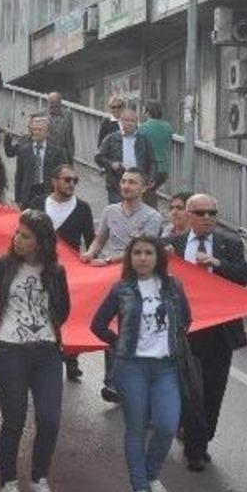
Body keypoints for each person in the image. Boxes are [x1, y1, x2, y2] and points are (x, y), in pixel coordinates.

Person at [0, 210, 69, 492]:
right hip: (8, 350)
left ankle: (40, 480)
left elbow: (63, 307)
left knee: (49, 419)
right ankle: (8, 482)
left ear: (41, 242)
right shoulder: (2, 266)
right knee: (14, 419)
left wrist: (46, 326)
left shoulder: (55, 271)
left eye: (25, 236)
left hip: (47, 352)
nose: (18, 239)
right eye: (17, 233)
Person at [90, 236, 191, 492]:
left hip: (165, 368)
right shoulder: (121, 288)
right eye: (137, 253)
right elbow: (97, 325)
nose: (143, 258)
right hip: (131, 367)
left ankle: (151, 476)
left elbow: (186, 319)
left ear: (158, 257)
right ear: (129, 257)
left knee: (167, 425)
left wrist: (168, 341)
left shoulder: (173, 286)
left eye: (148, 253)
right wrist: (119, 343)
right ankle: (139, 487)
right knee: (136, 427)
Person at [164, 193, 247, 472]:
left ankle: (202, 437)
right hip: (186, 330)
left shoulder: (229, 243)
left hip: (219, 331)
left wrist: (217, 264)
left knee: (214, 391)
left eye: (212, 213)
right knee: (191, 390)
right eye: (201, 213)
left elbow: (243, 276)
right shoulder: (173, 246)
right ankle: (194, 447)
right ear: (189, 215)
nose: (207, 218)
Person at [81, 168, 163, 402]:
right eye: (124, 181)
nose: (126, 186)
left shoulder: (152, 217)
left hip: (137, 279)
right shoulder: (110, 211)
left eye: (133, 182)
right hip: (109, 279)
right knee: (109, 326)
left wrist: (106, 260)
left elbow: (139, 249)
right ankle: (113, 382)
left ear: (144, 188)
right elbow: (100, 238)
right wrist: (90, 253)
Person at [28, 165, 95, 382]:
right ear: (54, 181)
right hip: (38, 268)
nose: (71, 184)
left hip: (69, 272)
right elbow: (24, 232)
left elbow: (91, 239)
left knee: (68, 313)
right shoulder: (38, 203)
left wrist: (90, 259)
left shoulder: (83, 208)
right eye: (67, 180)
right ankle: (40, 357)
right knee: (39, 312)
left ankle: (71, 359)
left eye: (75, 180)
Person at [4, 115, 69, 205]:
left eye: (40, 130)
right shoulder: (24, 150)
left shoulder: (57, 152)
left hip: (47, 192)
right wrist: (17, 199)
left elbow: (63, 176)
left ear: (47, 132)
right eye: (35, 130)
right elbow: (19, 176)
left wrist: (62, 195)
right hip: (28, 193)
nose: (36, 132)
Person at [95, 107, 154, 204]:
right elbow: (98, 157)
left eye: (132, 121)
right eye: (126, 120)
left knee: (135, 214)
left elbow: (152, 161)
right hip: (116, 183)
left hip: (137, 183)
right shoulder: (111, 138)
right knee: (117, 213)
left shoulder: (143, 140)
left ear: (136, 123)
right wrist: (111, 164)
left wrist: (150, 177)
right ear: (121, 122)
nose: (129, 123)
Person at [139, 101, 173, 206]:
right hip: (164, 168)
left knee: (146, 196)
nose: (142, 111)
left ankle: (151, 218)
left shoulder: (143, 127)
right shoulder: (167, 126)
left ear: (148, 112)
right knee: (151, 192)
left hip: (150, 168)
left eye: (143, 109)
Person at [45, 92, 75, 163]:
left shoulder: (68, 115)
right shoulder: (41, 115)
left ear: (60, 104)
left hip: (63, 156)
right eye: (51, 105)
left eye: (55, 105)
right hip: (47, 156)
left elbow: (70, 136)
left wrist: (70, 156)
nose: (53, 108)